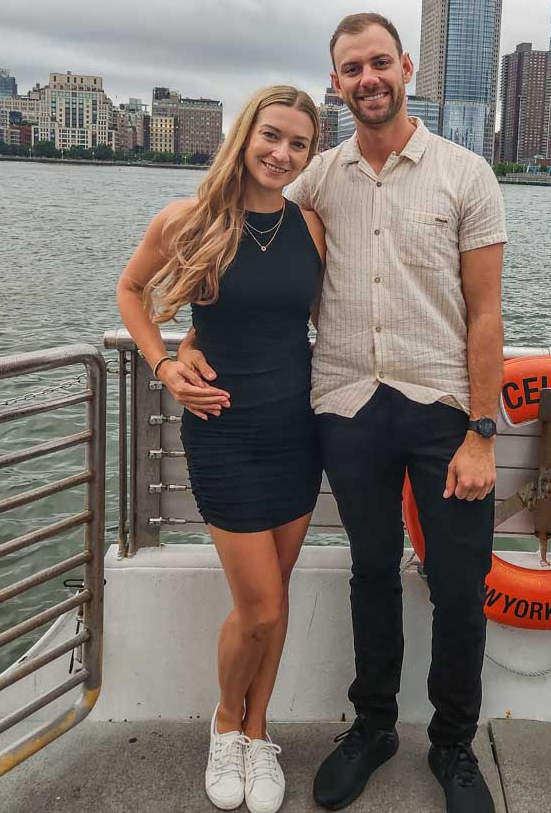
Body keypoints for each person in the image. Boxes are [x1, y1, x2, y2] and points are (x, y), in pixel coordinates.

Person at [180, 14, 506, 813]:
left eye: (380, 63)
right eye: (352, 68)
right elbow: (252, 258)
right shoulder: (317, 176)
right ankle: (373, 727)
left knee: (461, 585)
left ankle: (455, 746)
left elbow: (488, 314)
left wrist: (482, 431)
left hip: (442, 412)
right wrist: (190, 339)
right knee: (370, 574)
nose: (368, 78)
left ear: (406, 67)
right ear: (337, 84)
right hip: (347, 408)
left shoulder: (468, 175)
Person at [117, 85, 326, 813]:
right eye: (272, 136)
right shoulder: (189, 220)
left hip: (298, 432)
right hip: (225, 432)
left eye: (298, 144)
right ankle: (224, 724)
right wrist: (168, 364)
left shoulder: (312, 227)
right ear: (246, 136)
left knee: (277, 594)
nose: (282, 153)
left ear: (310, 153)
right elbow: (131, 291)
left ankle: (258, 731)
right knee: (260, 607)